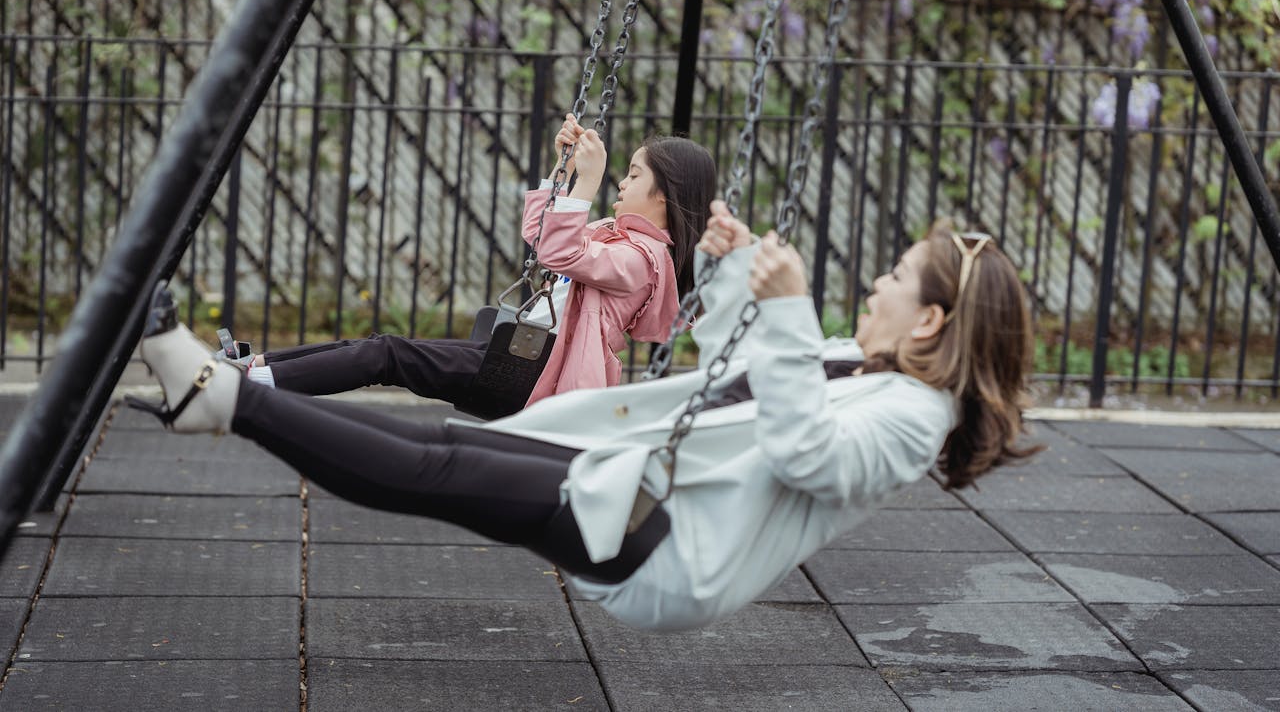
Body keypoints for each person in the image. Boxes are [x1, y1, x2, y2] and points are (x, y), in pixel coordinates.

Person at [130, 201, 1041, 632]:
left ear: (929, 319)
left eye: (895, 276)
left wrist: (793, 306)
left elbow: (806, 452)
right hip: (641, 489)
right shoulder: (862, 362)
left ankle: (226, 399)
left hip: (668, 544)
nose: (876, 282)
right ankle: (221, 396)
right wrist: (729, 273)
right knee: (445, 450)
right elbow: (733, 370)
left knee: (438, 470)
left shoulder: (913, 419)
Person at [236, 114, 717, 418]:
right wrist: (564, 171)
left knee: (388, 354)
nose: (621, 183)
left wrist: (587, 183)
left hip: (536, 377)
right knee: (379, 350)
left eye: (633, 175)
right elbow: (539, 236)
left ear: (665, 195)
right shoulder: (617, 238)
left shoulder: (643, 261)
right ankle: (258, 367)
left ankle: (256, 383)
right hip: (522, 360)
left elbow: (559, 253)